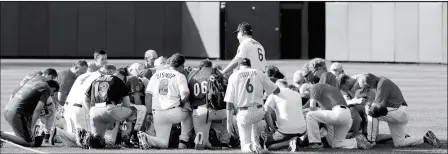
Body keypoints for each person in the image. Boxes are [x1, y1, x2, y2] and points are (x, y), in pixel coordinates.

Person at [359, 73, 441, 148]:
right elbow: (373, 102)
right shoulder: (379, 82)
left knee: (372, 112)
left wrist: (368, 108)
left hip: (398, 112)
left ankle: (370, 141)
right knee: (399, 143)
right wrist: (368, 105)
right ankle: (426, 138)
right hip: (399, 113)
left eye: (368, 87)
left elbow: (376, 107)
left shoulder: (382, 84)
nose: (367, 90)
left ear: (373, 81)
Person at [224, 58, 280, 153]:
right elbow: (276, 90)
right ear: (250, 65)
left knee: (245, 146)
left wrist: (228, 123)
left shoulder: (234, 75)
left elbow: (229, 103)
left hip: (244, 112)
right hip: (259, 112)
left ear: (239, 66)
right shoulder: (258, 72)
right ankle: (257, 143)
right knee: (254, 131)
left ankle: (254, 146)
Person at [138, 53, 193, 149]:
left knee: (163, 143)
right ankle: (183, 142)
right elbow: (185, 94)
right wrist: (182, 103)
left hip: (158, 113)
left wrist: (150, 112)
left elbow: (148, 95)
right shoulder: (179, 75)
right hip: (174, 111)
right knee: (189, 112)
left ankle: (146, 137)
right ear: (181, 66)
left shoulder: (156, 75)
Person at [299, 83, 374, 149]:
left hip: (338, 112)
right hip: (346, 115)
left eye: (307, 96)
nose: (309, 97)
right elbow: (327, 118)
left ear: (308, 89)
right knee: (336, 143)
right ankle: (358, 141)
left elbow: (312, 107)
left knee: (310, 115)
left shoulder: (314, 87)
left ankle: (315, 143)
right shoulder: (326, 90)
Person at [1, 80, 60, 147]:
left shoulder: (34, 84)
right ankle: (1, 135)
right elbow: (38, 109)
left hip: (8, 109)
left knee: (21, 136)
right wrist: (31, 128)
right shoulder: (46, 89)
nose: (51, 95)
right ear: (53, 88)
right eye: (53, 93)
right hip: (16, 113)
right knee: (28, 143)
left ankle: (3, 136)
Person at [187, 59, 231, 149]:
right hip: (216, 112)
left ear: (200, 67)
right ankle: (224, 142)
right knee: (229, 115)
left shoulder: (192, 76)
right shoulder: (217, 75)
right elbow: (226, 89)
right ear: (210, 67)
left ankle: (200, 138)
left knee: (204, 141)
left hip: (199, 111)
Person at [263, 79, 306, 152]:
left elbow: (266, 113)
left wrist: (273, 129)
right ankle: (296, 140)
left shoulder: (274, 94)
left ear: (276, 86)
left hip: (286, 132)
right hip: (302, 130)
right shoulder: (297, 94)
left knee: (266, 145)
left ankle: (289, 142)